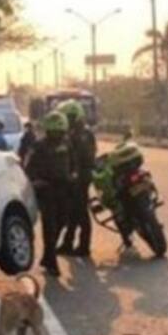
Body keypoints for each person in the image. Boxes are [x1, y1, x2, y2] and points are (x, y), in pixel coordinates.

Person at [25, 112, 72, 277]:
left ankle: (47, 255)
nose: (58, 135)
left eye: (60, 132)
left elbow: (73, 163)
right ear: (48, 131)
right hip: (47, 190)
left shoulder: (67, 145)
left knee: (63, 221)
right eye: (54, 132)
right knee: (49, 227)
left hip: (64, 189)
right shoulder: (38, 146)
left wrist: (74, 176)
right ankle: (51, 262)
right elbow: (28, 167)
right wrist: (35, 181)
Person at [58, 100, 97, 259]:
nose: (69, 119)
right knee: (73, 212)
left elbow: (76, 158)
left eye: (70, 116)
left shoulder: (77, 135)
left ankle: (84, 246)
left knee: (80, 212)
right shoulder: (85, 132)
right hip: (81, 176)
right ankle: (68, 243)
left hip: (80, 177)